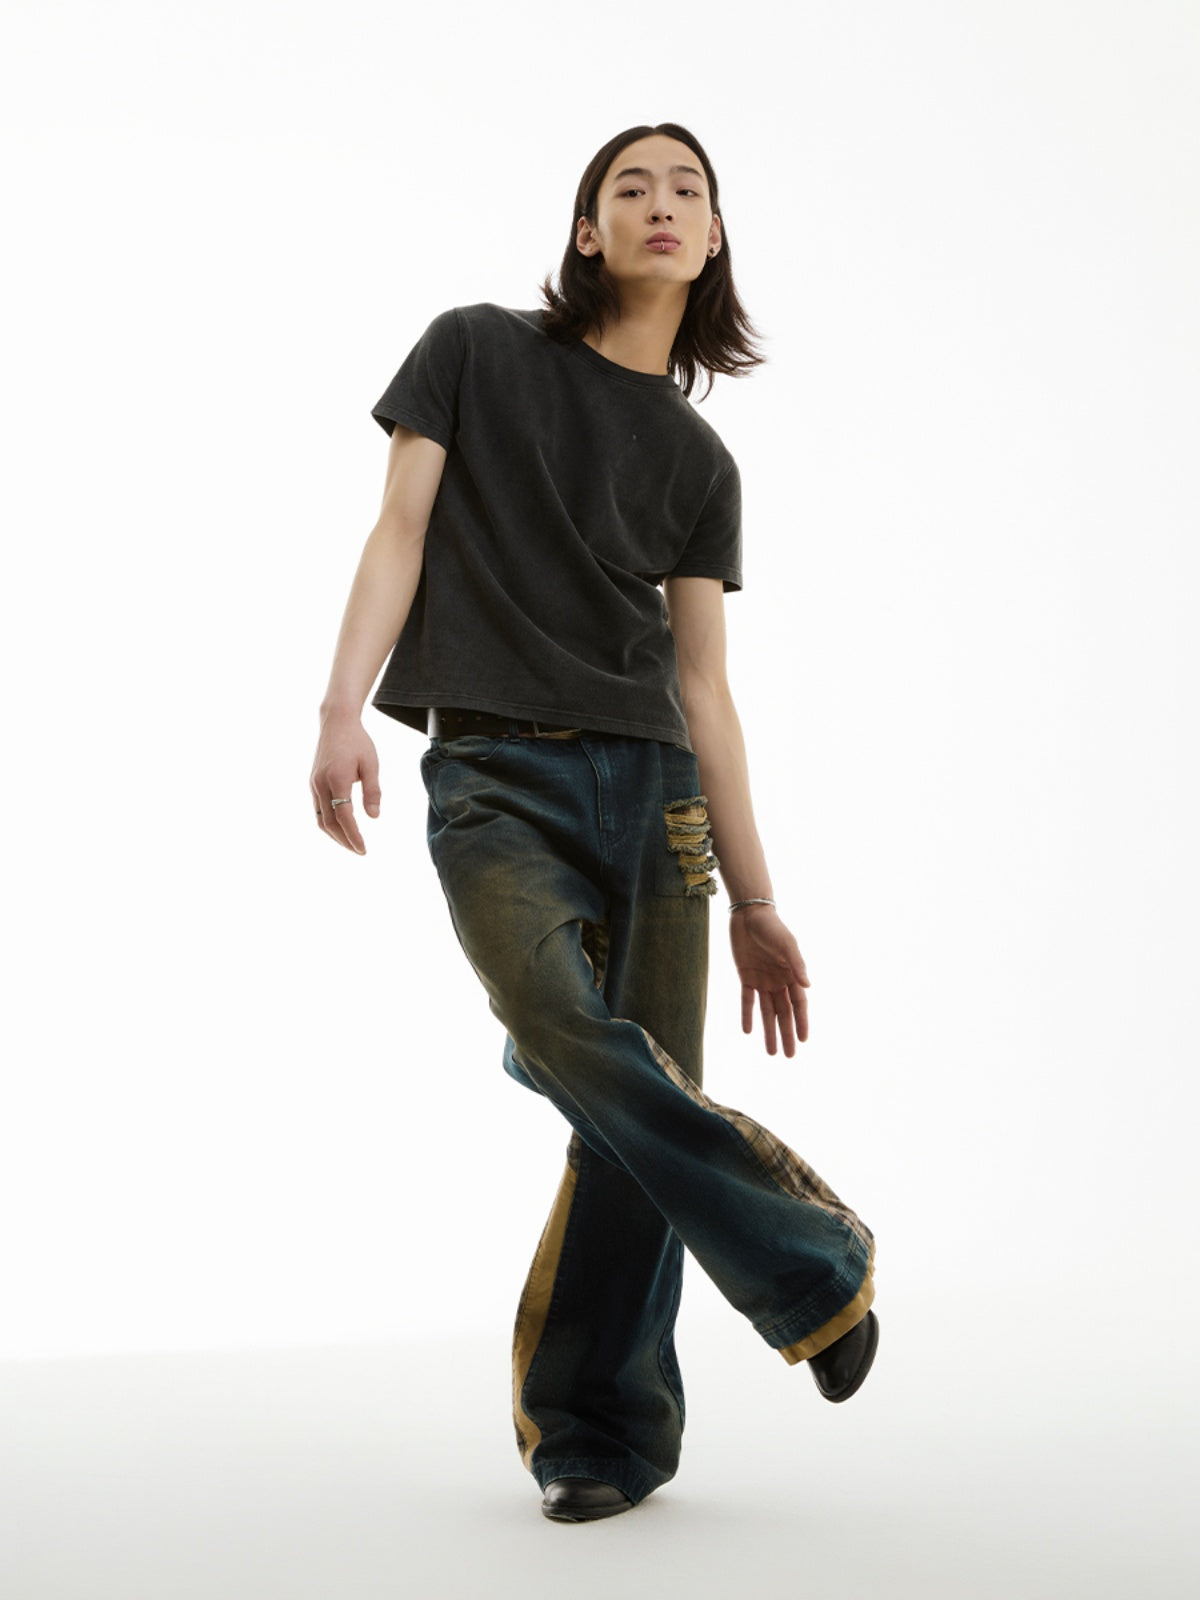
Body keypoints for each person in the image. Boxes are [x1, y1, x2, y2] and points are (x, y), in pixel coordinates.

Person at [309, 121, 878, 1524]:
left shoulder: (700, 463)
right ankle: (808, 1263)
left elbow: (706, 688)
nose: (661, 202)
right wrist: (340, 706)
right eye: (632, 186)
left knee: (622, 1101)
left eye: (689, 188)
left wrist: (756, 899)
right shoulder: (474, 351)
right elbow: (398, 530)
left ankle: (597, 1438)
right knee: (563, 1025)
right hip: (493, 773)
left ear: (715, 237)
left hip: (658, 799)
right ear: (588, 229)